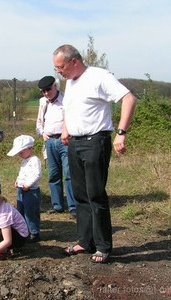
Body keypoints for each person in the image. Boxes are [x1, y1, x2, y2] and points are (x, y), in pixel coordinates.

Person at [53, 44, 137, 263]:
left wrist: (121, 133)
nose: (58, 72)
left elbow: (129, 99)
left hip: (95, 142)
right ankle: (85, 241)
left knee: (95, 194)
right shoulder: (70, 82)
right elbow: (69, 109)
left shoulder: (99, 77)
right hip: (75, 143)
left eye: (60, 67)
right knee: (79, 194)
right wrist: (65, 128)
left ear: (74, 62)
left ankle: (103, 246)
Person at [36, 75, 76, 217]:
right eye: (43, 91)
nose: (46, 93)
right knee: (53, 175)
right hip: (49, 142)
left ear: (56, 87)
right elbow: (39, 123)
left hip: (65, 141)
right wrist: (43, 134)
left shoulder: (66, 100)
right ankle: (57, 205)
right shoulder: (43, 103)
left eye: (48, 89)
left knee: (69, 173)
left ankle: (73, 207)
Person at [7, 135, 42, 243]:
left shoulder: (34, 160)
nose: (20, 154)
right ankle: (23, 230)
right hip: (21, 190)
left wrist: (28, 184)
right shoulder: (24, 161)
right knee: (21, 210)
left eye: (21, 152)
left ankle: (34, 232)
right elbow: (22, 173)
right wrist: (18, 180)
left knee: (30, 212)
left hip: (31, 191)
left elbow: (37, 174)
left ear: (30, 148)